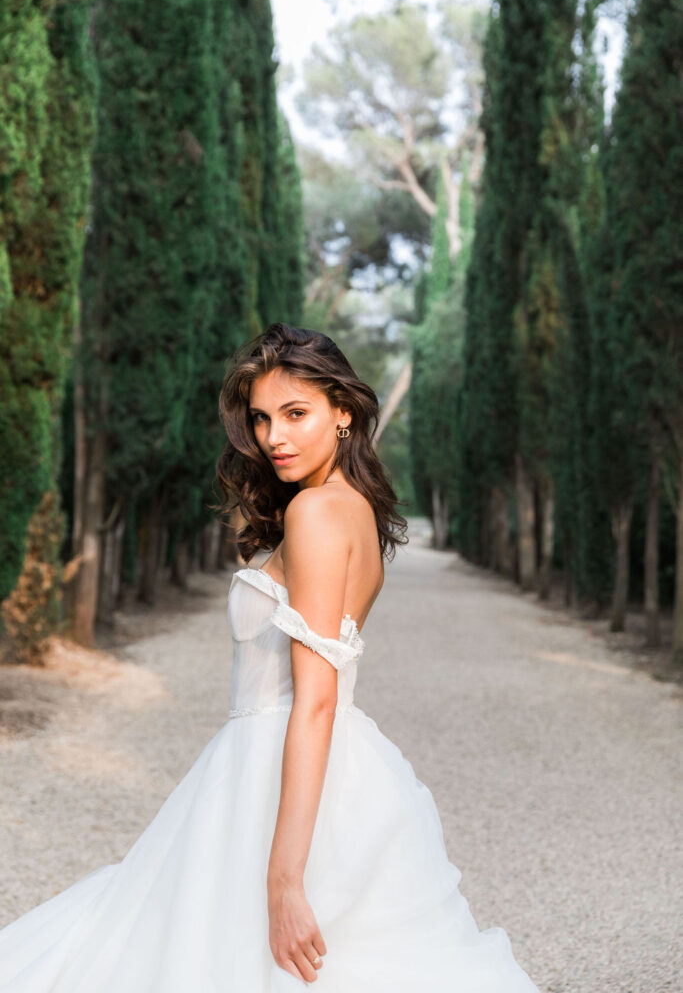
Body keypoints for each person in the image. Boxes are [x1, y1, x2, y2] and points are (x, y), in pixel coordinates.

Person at [0, 322, 540, 991]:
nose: (273, 437)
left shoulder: (314, 514)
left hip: (276, 772)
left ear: (342, 411)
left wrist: (284, 880)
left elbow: (313, 700)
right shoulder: (356, 512)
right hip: (338, 768)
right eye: (260, 418)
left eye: (295, 413)